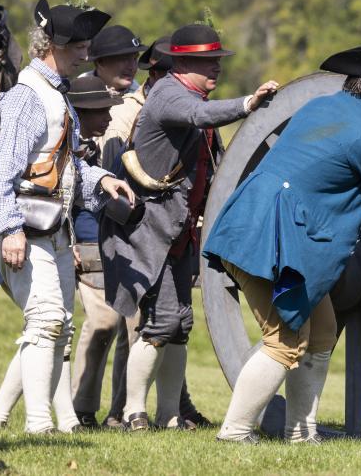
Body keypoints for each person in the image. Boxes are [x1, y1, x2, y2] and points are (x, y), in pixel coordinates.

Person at [204, 43, 361, 444]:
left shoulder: (316, 107)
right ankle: (234, 433)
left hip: (258, 224)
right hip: (274, 241)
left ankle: (301, 434)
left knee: (321, 333)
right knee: (283, 342)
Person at [99, 24, 278, 431]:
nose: (216, 67)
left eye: (216, 60)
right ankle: (133, 412)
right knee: (162, 321)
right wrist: (249, 103)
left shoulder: (190, 95)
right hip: (150, 229)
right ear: (181, 64)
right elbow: (200, 116)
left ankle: (169, 414)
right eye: (206, 61)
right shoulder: (170, 95)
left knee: (180, 323)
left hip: (179, 230)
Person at [0, 0, 134, 434]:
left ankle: (5, 419)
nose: (86, 54)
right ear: (53, 46)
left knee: (57, 327)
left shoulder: (55, 95)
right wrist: (8, 229)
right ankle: (39, 425)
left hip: (52, 228)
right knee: (46, 321)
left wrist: (101, 180)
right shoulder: (27, 97)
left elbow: (66, 165)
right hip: (25, 228)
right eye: (79, 47)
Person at [65, 75, 125, 430]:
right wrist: (68, 241)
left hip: (104, 241)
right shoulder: (66, 144)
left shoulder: (100, 143)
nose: (108, 116)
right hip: (80, 241)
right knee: (101, 322)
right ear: (81, 112)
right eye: (101, 110)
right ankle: (80, 407)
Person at [80, 25, 146, 96]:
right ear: (100, 62)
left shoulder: (141, 97)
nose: (132, 67)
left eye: (135, 59)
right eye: (124, 59)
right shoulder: (77, 93)